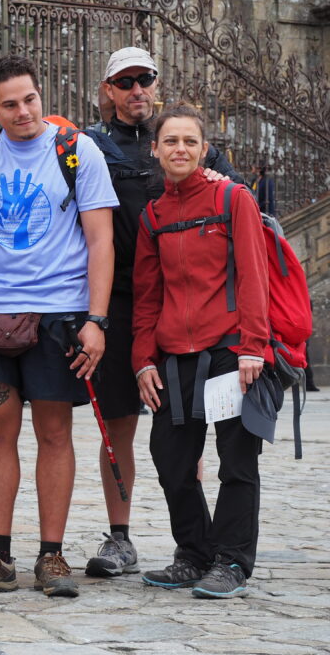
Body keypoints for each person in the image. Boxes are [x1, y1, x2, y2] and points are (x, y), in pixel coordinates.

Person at [0, 54, 118, 599]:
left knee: (54, 431)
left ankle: (52, 555)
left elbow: (100, 240)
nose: (23, 111)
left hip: (58, 315)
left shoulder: (77, 150)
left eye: (30, 99)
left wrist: (96, 320)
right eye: (10, 104)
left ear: (41, 94)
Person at [82, 47, 242, 579]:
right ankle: (120, 535)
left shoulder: (196, 148)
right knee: (120, 425)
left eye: (144, 79)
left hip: (188, 301)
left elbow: (235, 209)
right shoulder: (90, 146)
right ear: (108, 89)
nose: (136, 90)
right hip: (124, 300)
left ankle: (193, 545)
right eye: (124, 82)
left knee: (184, 426)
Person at [134, 103, 269, 599]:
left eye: (190, 141)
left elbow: (255, 277)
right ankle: (193, 554)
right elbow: (147, 296)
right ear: (155, 150)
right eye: (171, 141)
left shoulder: (233, 198)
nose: (180, 150)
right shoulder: (154, 215)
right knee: (170, 460)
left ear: (204, 148)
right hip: (173, 358)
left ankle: (231, 561)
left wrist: (254, 347)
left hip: (232, 353)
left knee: (237, 462)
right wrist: (143, 360)